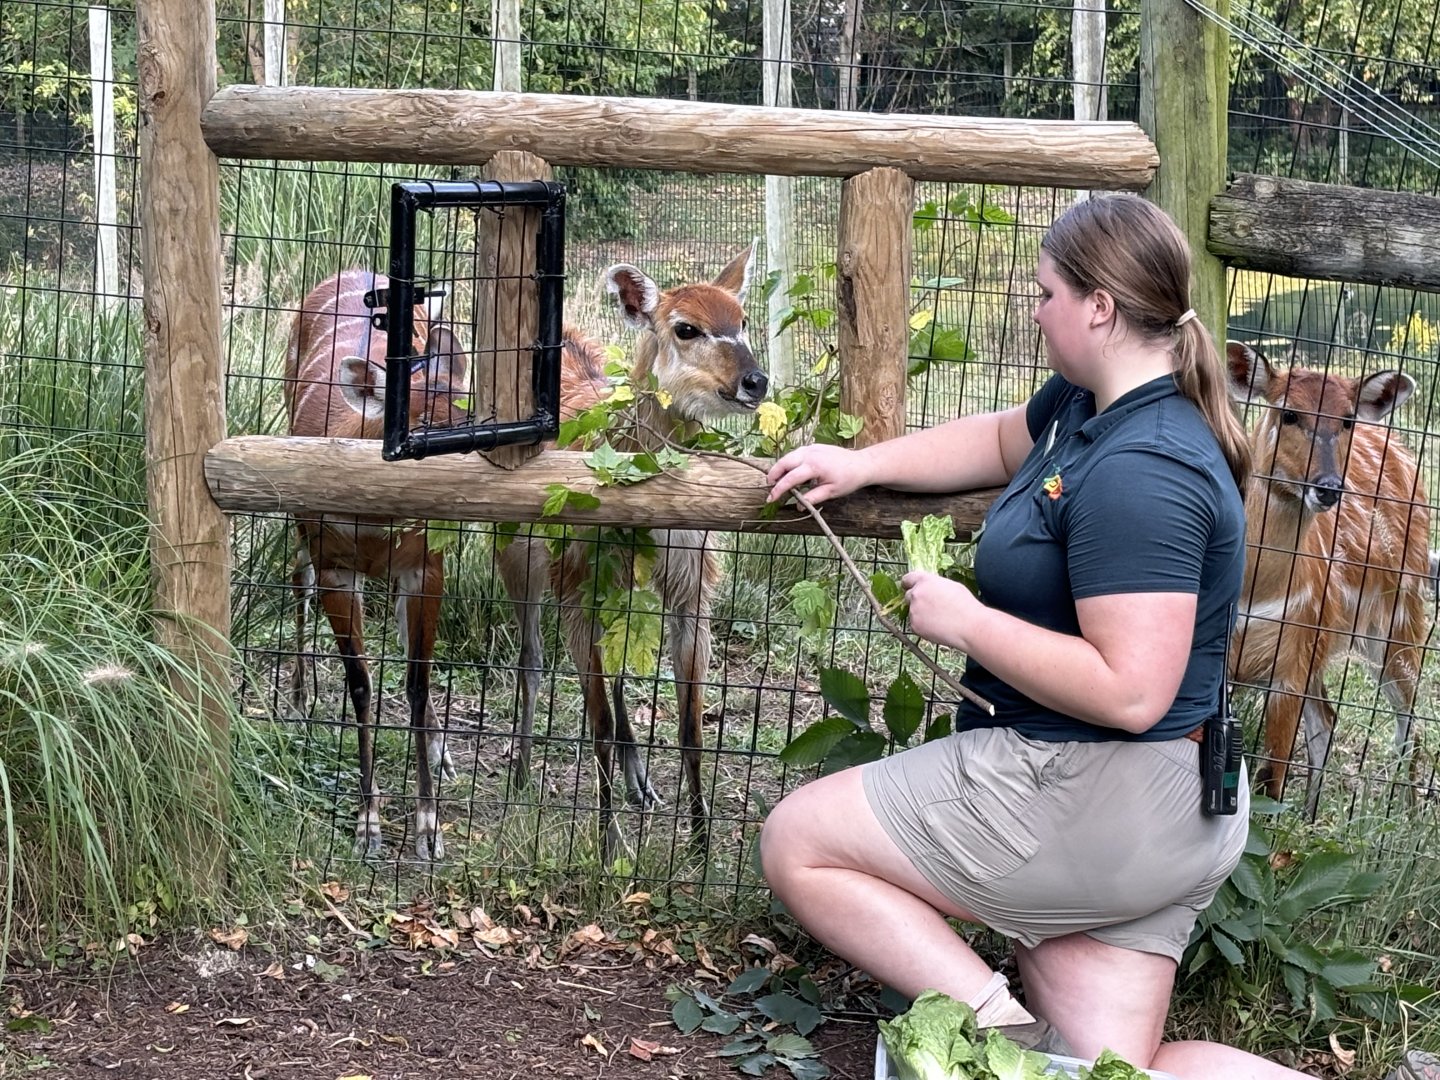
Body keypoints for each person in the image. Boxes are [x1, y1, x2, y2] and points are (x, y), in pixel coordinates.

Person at [760, 193, 1429, 1080]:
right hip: (1160, 805)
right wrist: (865, 463)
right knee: (1118, 1064)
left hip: (1096, 791)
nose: (1034, 312)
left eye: (1044, 294)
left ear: (1100, 308)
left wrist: (969, 622)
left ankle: (1003, 1041)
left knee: (798, 840)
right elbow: (1005, 440)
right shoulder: (1094, 401)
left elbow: (1130, 690)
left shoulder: (1142, 471)